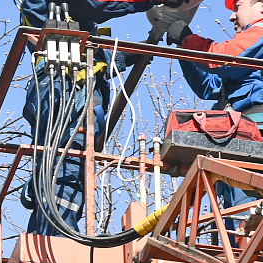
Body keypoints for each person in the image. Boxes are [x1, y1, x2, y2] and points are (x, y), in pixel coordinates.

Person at [18, 0, 199, 237]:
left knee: (62, 165)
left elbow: (94, 58)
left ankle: (48, 237)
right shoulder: (68, 6)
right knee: (67, 162)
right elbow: (96, 5)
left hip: (66, 87)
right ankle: (58, 238)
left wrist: (129, 55)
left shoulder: (73, 18)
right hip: (64, 87)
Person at [172, 0, 263, 211]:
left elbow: (222, 58)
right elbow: (209, 86)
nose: (232, 16)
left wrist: (187, 38)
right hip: (245, 140)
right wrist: (183, 47)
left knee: (252, 228)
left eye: (237, 7)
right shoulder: (254, 55)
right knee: (239, 231)